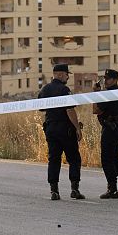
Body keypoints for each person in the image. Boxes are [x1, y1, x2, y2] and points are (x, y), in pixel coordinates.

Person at [38, 63, 85, 200]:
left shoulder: (45, 89)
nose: (67, 78)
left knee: (54, 159)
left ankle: (54, 191)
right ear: (60, 74)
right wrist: (77, 128)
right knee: (74, 159)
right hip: (65, 130)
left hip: (51, 129)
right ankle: (74, 189)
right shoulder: (64, 90)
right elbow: (70, 110)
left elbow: (40, 108)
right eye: (66, 75)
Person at [92, 69, 118, 199]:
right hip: (117, 128)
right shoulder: (116, 92)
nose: (105, 81)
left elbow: (95, 110)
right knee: (114, 158)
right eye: (104, 78)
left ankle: (112, 188)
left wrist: (95, 93)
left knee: (107, 159)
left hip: (110, 129)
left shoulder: (109, 94)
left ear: (115, 80)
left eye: (108, 78)